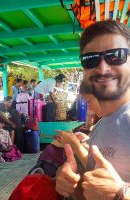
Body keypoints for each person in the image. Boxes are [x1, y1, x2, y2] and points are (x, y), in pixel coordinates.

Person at [56, 20, 130, 200]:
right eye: (91, 60)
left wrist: (121, 193)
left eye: (116, 55)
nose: (103, 68)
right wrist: (70, 179)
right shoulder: (101, 125)